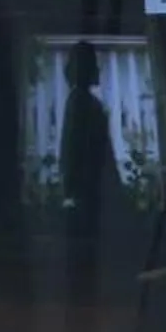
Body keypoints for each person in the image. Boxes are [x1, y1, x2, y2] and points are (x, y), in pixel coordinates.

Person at [55, 41, 115, 230]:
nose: (98, 68)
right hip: (88, 191)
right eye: (93, 63)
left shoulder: (82, 101)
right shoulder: (81, 102)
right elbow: (73, 148)